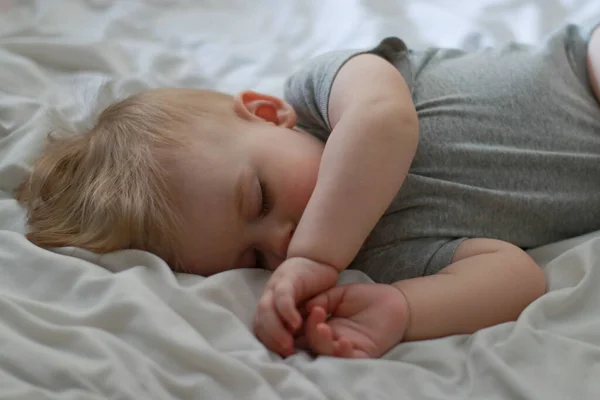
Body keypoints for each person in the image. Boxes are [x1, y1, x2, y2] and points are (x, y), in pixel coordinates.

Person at [16, 23, 600, 359]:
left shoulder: (326, 89)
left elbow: (385, 123)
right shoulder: (379, 254)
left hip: (582, 72)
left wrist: (314, 256)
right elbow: (516, 277)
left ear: (269, 114)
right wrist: (403, 310)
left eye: (260, 200)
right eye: (256, 257)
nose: (283, 240)